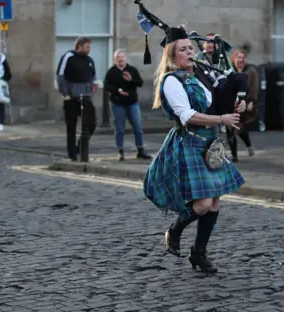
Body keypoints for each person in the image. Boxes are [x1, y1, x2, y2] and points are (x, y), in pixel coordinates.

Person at [143, 26, 246, 274]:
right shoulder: (171, 81)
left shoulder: (198, 77)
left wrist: (235, 104)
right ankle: (174, 231)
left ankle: (199, 253)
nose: (190, 52)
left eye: (191, 48)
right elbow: (187, 116)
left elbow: (212, 104)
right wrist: (222, 119)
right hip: (189, 142)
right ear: (172, 56)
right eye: (183, 49)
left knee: (214, 202)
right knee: (201, 205)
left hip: (211, 143)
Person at [103, 49, 152, 161]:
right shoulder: (112, 72)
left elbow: (140, 83)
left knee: (138, 127)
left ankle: (140, 150)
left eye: (122, 57)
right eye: (118, 57)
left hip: (132, 103)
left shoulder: (132, 70)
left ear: (125, 58)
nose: (120, 59)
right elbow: (107, 86)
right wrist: (117, 91)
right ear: (115, 59)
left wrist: (131, 80)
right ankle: (120, 151)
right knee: (119, 129)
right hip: (118, 103)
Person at [56, 36, 98, 161]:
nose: (89, 50)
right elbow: (60, 75)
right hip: (71, 98)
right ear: (79, 46)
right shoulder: (68, 57)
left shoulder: (89, 60)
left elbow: (93, 76)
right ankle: (72, 153)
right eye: (87, 47)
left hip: (85, 97)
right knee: (71, 127)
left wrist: (92, 86)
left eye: (89, 47)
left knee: (92, 123)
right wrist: (65, 93)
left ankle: (80, 148)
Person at [227, 49, 259, 162]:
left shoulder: (251, 71)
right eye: (238, 57)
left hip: (245, 103)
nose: (240, 60)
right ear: (234, 59)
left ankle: (248, 145)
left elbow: (254, 88)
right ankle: (234, 155)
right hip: (231, 104)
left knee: (239, 129)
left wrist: (252, 102)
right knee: (230, 129)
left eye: (242, 58)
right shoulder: (229, 70)